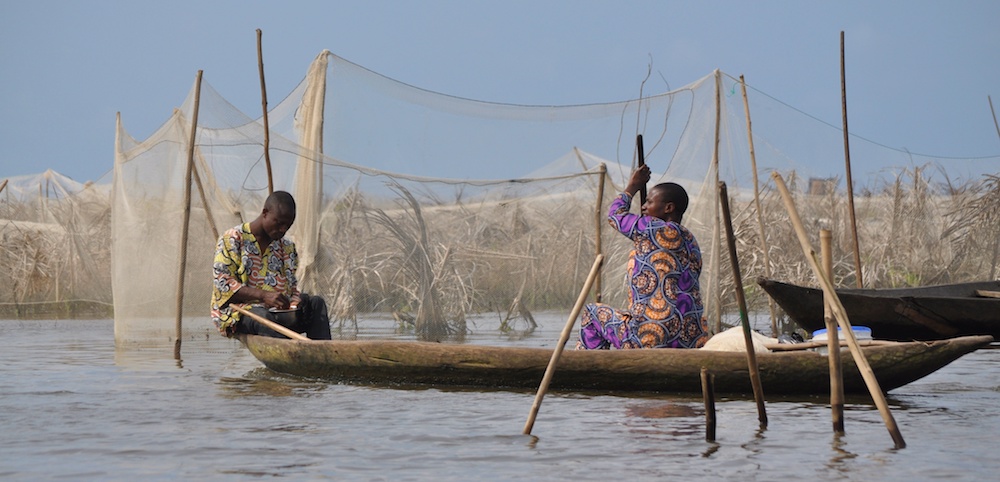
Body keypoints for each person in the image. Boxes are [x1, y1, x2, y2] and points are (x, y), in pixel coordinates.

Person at [577, 165, 708, 349]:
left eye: (649, 202)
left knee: (592, 313)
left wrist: (633, 186)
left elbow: (615, 216)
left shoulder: (653, 228)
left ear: (668, 207)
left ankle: (594, 374)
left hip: (650, 335)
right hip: (691, 338)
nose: (643, 207)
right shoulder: (691, 241)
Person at [210, 190, 332, 340]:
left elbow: (291, 288)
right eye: (279, 223)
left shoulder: (287, 247)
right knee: (263, 317)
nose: (283, 229)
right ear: (265, 213)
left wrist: (294, 304)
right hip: (240, 312)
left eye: (288, 225)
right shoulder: (233, 239)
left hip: (279, 314)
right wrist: (264, 296)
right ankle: (290, 355)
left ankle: (322, 354)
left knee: (315, 304)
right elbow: (224, 286)